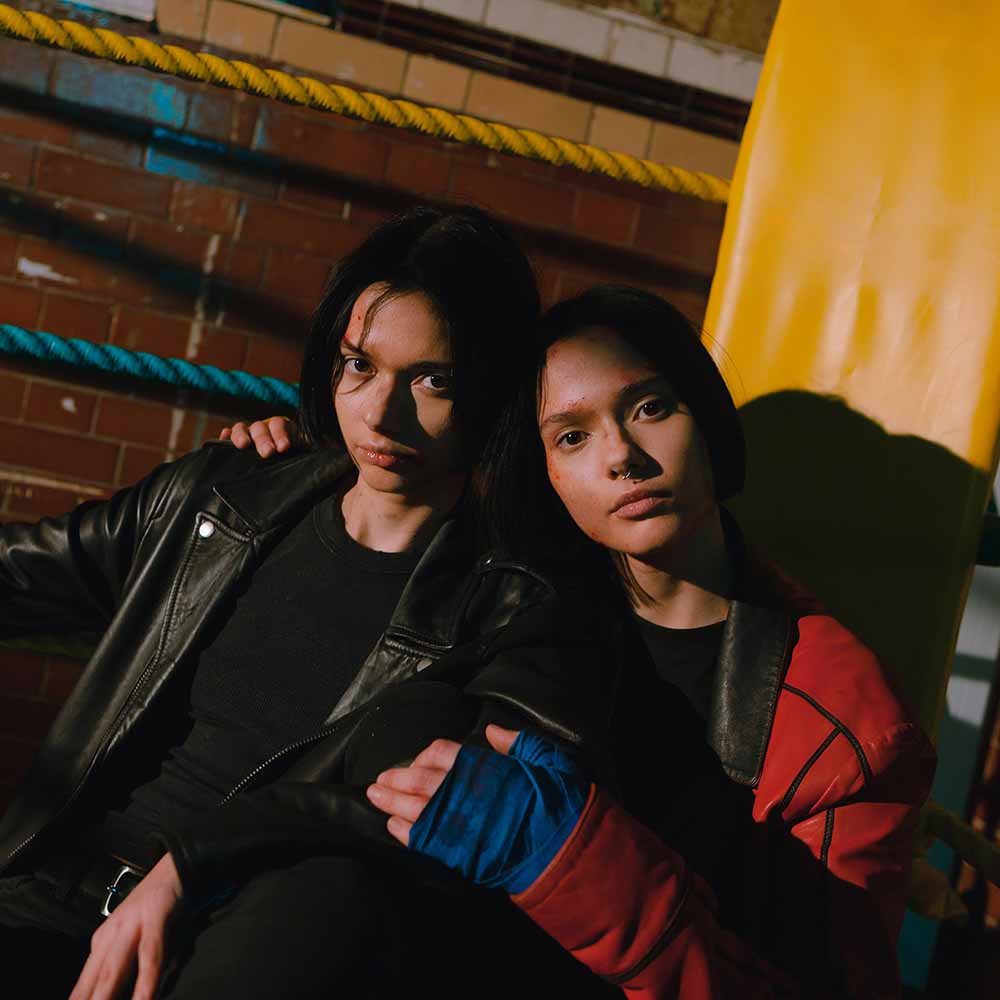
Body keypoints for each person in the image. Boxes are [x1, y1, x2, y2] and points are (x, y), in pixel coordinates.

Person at [0, 206, 624, 1000]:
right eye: (360, 365)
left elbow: (429, 831)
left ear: (491, 388)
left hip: (224, 948)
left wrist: (192, 866)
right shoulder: (224, 497)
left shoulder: (510, 611)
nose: (380, 413)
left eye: (432, 380)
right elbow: (22, 573)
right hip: (40, 901)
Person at [354, 286, 937, 998]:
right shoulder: (501, 602)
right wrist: (273, 467)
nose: (622, 456)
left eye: (649, 408)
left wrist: (578, 868)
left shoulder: (845, 726)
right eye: (572, 437)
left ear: (708, 421)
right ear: (546, 475)